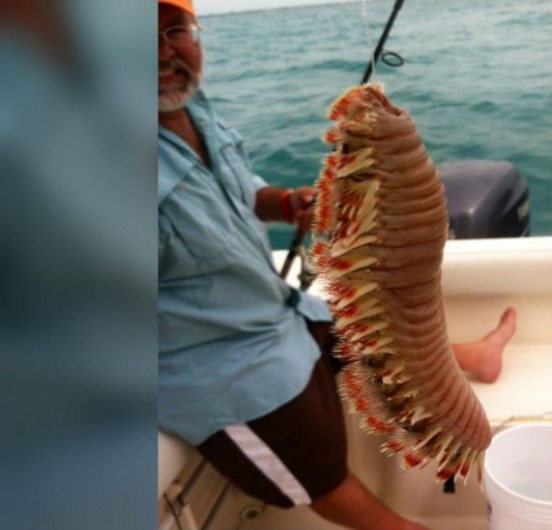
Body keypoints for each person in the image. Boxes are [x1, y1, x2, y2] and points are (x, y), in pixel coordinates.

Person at [158, 1, 516, 528]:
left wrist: (283, 203)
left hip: (272, 307)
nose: (164, 52)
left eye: (175, 30)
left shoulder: (198, 112)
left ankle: (472, 356)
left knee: (351, 327)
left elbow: (240, 193)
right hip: (215, 359)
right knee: (314, 454)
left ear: (197, 36)